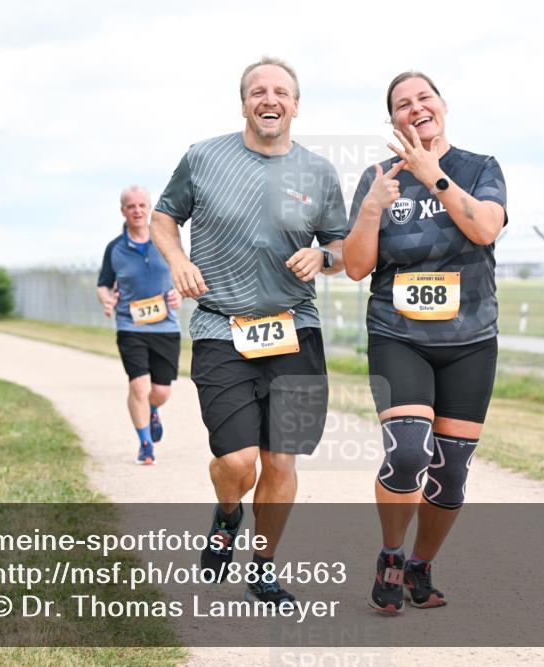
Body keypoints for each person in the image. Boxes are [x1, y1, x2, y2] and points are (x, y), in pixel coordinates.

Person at [151, 56, 348, 606]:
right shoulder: (204, 157)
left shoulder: (319, 173)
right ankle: (228, 512)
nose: (270, 99)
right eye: (258, 91)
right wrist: (176, 260)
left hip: (295, 329)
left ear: (295, 104)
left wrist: (322, 256)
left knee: (281, 460)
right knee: (238, 462)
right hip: (221, 327)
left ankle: (263, 566)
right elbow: (165, 217)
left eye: (281, 91)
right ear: (243, 103)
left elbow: (343, 248)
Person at [344, 71, 508, 613]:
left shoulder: (480, 168)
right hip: (400, 334)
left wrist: (433, 175)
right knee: (410, 452)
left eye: (424, 99)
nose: (415, 109)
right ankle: (392, 554)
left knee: (451, 471)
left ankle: (421, 564)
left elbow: (485, 228)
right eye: (402, 105)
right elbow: (356, 266)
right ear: (392, 120)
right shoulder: (377, 177)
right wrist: (371, 209)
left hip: (470, 339)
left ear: (442, 106)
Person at [97, 186, 182, 465]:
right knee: (139, 387)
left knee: (161, 391)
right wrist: (108, 301)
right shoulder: (115, 248)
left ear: (149, 208)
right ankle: (145, 444)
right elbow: (103, 286)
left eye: (142, 205)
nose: (137, 210)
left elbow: (184, 274)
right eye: (131, 206)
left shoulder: (166, 241)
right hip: (130, 326)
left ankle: (153, 410)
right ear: (123, 211)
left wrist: (179, 293)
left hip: (165, 327)